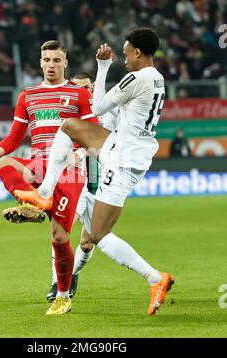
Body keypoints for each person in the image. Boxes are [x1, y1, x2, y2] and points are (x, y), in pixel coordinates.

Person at [15, 28, 174, 316]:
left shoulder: (137, 77)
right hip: (128, 149)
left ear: (138, 52)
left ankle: (155, 278)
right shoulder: (158, 79)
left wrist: (102, 68)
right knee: (70, 125)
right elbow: (116, 114)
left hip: (122, 159)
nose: (124, 60)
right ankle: (45, 193)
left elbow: (99, 104)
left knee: (98, 234)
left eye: (126, 54)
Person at [0, 40, 99, 315]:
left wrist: (80, 155)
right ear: (40, 62)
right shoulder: (28, 95)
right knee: (4, 162)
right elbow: (14, 137)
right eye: (46, 60)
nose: (51, 65)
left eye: (56, 60)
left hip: (69, 172)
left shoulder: (78, 94)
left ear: (65, 63)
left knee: (59, 239)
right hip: (37, 166)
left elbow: (93, 134)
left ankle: (62, 296)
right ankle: (32, 203)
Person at [47, 71, 118, 302]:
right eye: (76, 88)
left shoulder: (108, 113)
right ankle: (57, 283)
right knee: (62, 230)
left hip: (102, 186)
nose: (82, 92)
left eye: (86, 87)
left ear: (94, 87)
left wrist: (83, 151)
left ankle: (72, 273)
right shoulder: (68, 117)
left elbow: (109, 144)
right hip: (76, 182)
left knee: (88, 242)